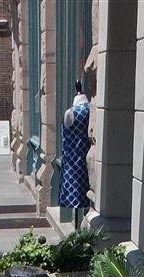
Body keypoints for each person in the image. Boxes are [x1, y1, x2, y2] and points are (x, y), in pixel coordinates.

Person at [58, 81, 91, 214]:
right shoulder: (91, 109)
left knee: (76, 195)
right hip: (88, 161)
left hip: (73, 164)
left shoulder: (70, 113)